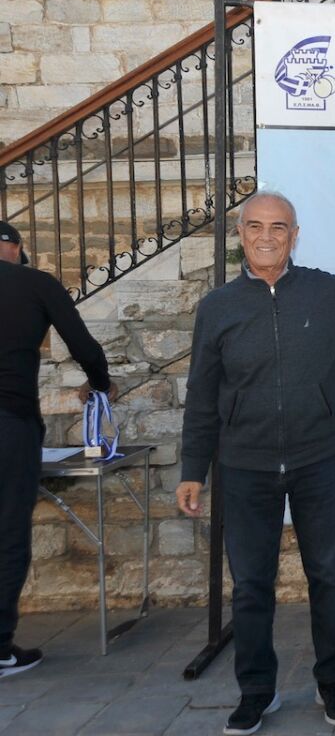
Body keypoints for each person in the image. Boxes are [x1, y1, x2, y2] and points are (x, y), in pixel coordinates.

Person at [177, 192, 335, 734]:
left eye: (278, 227)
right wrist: (192, 469)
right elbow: (202, 394)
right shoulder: (217, 307)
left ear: (295, 236)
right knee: (251, 584)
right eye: (255, 226)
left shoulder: (325, 292)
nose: (266, 236)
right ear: (240, 234)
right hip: (244, 467)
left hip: (321, 460)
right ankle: (256, 691)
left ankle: (333, 683)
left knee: (328, 576)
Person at [0, 221, 114, 679]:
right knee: (8, 534)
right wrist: (100, 383)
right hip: (9, 423)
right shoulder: (36, 284)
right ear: (16, 248)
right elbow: (84, 346)